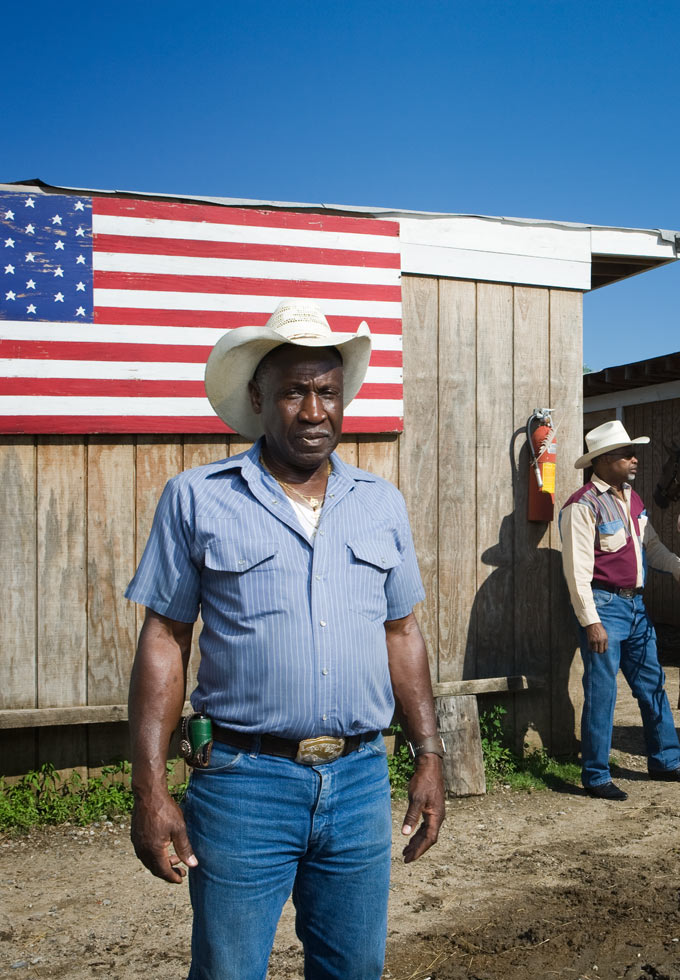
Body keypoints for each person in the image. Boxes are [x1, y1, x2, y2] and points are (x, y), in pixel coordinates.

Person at [125, 299, 445, 980]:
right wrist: (149, 787)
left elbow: (403, 631)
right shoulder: (198, 497)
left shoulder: (380, 502)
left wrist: (429, 754)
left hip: (360, 781)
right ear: (258, 398)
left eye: (327, 391)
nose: (312, 410)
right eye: (294, 391)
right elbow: (165, 639)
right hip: (244, 783)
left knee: (354, 969)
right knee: (229, 970)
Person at [560, 419, 680, 800]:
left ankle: (665, 762)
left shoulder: (633, 499)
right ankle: (595, 776)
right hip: (605, 606)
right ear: (604, 460)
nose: (635, 459)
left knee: (651, 685)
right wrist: (591, 622)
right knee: (602, 693)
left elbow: (652, 546)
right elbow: (576, 572)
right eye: (627, 454)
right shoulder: (582, 506)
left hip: (636, 607)